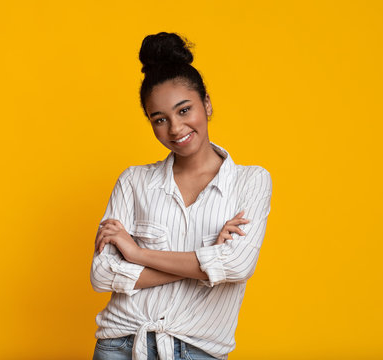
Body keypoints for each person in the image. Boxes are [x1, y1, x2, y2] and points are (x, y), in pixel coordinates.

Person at [90, 32, 273, 360]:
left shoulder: (251, 181)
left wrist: (136, 253)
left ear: (207, 104)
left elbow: (237, 265)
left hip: (199, 348)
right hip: (121, 343)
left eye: (184, 110)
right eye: (159, 120)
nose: (175, 128)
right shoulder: (134, 181)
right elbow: (102, 273)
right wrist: (206, 260)